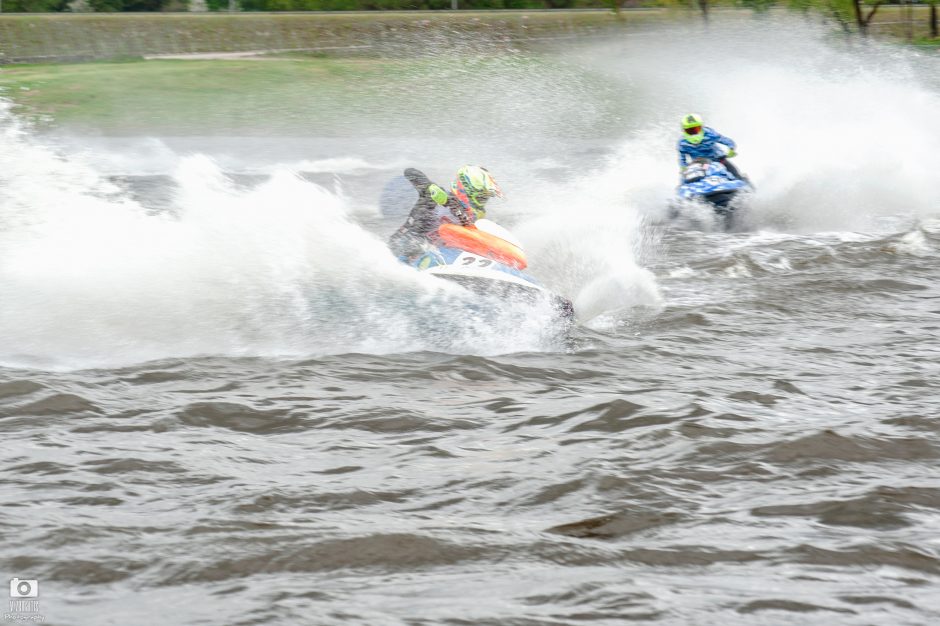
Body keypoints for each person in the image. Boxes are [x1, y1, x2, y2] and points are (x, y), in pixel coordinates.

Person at [388, 165, 503, 260]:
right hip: (402, 245)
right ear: (467, 191)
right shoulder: (435, 198)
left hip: (437, 254)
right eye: (481, 198)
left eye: (485, 199)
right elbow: (410, 172)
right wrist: (430, 187)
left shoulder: (471, 218)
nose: (482, 203)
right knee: (418, 245)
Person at [677, 113, 742, 179]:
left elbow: (727, 141)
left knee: (736, 174)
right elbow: (682, 159)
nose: (694, 133)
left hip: (719, 160)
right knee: (685, 177)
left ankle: (744, 182)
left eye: (696, 129)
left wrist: (731, 149)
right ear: (684, 131)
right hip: (699, 165)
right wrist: (684, 168)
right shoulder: (682, 143)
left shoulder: (710, 134)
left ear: (702, 127)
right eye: (690, 131)